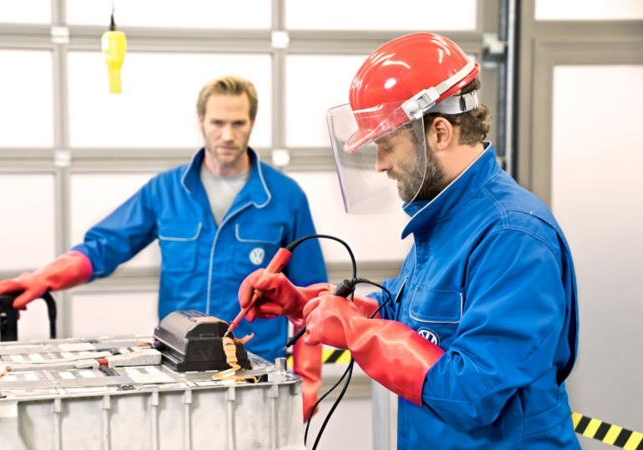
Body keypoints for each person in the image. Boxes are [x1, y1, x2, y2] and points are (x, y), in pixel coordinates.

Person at [239, 33, 579, 448]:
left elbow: (471, 393)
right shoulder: (444, 219)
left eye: (387, 145)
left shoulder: (512, 235)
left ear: (439, 132)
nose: (381, 164)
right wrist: (306, 303)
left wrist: (354, 332)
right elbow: (409, 322)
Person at [0, 76, 327, 422]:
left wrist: (309, 382)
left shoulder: (286, 197)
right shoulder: (165, 191)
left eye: (238, 123)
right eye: (218, 123)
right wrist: (45, 279)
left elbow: (311, 298)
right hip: (178, 375)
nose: (227, 135)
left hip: (256, 376)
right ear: (201, 122)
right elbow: (105, 245)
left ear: (252, 123)